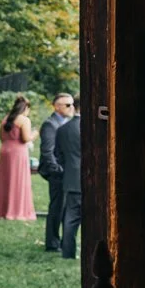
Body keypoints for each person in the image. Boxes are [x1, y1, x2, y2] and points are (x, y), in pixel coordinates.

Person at [37, 94, 75, 251]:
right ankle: (52, 243)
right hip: (58, 174)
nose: (71, 107)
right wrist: (56, 170)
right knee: (57, 208)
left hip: (67, 172)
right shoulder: (50, 125)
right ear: (57, 106)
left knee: (65, 208)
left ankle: (60, 242)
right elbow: (47, 151)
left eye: (72, 104)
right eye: (67, 105)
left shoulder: (66, 123)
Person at [0, 96, 37, 220]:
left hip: (5, 150)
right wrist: (36, 133)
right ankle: (17, 210)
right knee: (18, 180)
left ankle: (2, 210)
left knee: (5, 180)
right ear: (26, 108)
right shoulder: (24, 120)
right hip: (18, 152)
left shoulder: (6, 119)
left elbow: (1, 136)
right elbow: (26, 138)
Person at [57, 111, 83, 259]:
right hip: (90, 178)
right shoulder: (92, 127)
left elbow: (58, 155)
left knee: (70, 218)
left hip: (71, 178)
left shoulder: (62, 129)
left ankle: (68, 253)